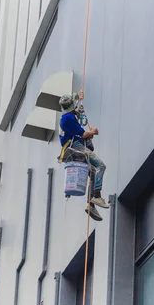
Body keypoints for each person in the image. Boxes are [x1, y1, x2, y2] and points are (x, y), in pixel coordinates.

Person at [58, 92, 108, 221]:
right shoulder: (68, 119)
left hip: (74, 145)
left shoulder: (66, 115)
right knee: (100, 166)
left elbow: (74, 98)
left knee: (92, 172)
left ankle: (91, 205)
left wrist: (79, 96)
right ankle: (97, 195)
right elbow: (84, 134)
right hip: (76, 146)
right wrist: (93, 132)